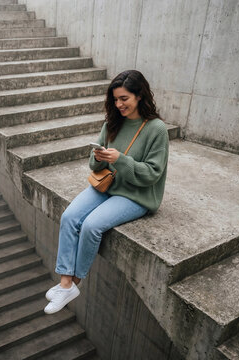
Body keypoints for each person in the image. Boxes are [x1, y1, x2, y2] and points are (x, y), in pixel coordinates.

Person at [44, 70, 169, 314]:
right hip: (107, 184)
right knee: (69, 217)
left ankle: (75, 282)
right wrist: (99, 157)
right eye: (115, 99)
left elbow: (152, 174)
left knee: (91, 225)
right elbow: (94, 165)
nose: (118, 104)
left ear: (140, 96)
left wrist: (120, 159)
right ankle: (65, 283)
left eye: (124, 98)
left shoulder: (156, 129)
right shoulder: (112, 122)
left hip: (136, 194)